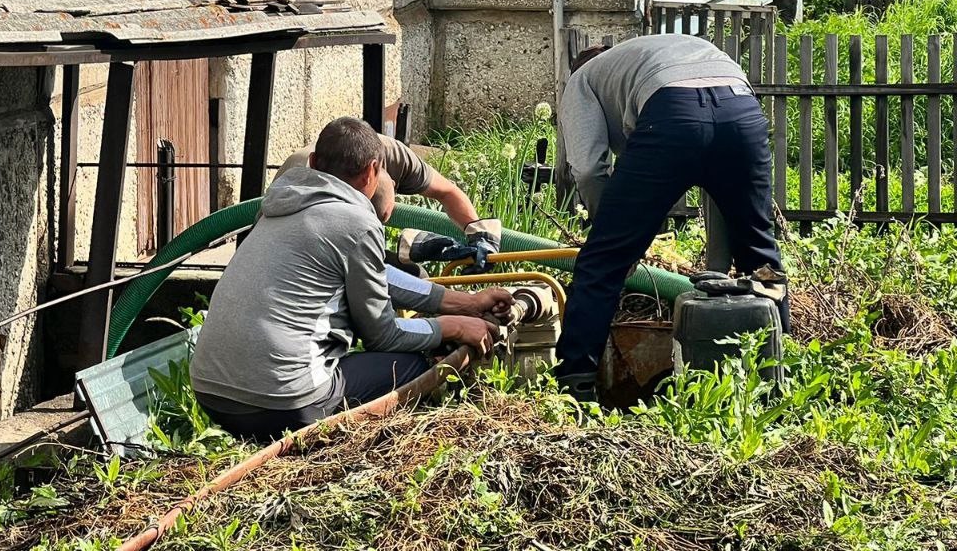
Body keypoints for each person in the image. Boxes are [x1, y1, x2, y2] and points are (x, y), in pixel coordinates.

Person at [192, 117, 499, 442]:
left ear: (312, 163)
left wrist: (467, 303)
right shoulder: (355, 222)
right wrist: (454, 327)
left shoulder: (277, 208)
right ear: (372, 172)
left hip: (211, 394)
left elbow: (377, 274)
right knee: (416, 362)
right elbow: (384, 335)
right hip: (284, 404)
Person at [555, 34, 786, 401]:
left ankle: (574, 389)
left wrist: (610, 237)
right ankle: (776, 383)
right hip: (741, 108)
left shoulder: (582, 79)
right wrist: (719, 266)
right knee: (759, 255)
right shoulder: (655, 52)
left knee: (601, 265)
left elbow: (586, 169)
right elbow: (718, 187)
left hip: (671, 114)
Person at [280, 132, 502, 274]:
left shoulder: (396, 158)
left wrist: (480, 236)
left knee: (414, 277)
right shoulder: (307, 178)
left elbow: (448, 192)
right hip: (300, 250)